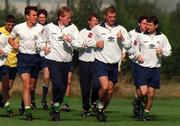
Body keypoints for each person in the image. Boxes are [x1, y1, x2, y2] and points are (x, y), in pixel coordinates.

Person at [91, 6, 131, 121]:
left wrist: (122, 38)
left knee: (110, 90)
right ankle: (98, 104)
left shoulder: (121, 29)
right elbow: (87, 41)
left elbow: (128, 45)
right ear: (105, 17)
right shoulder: (97, 29)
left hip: (114, 64)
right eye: (110, 17)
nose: (112, 19)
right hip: (101, 61)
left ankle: (100, 109)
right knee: (104, 87)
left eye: (114, 17)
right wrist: (95, 44)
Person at [39, 6, 79, 121]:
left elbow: (79, 44)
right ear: (61, 17)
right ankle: (56, 110)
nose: (69, 20)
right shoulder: (49, 27)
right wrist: (43, 47)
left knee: (63, 88)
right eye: (68, 17)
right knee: (59, 86)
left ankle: (55, 104)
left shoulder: (73, 28)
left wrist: (70, 40)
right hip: (53, 60)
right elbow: (41, 40)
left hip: (67, 62)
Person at [132, 16, 172, 121]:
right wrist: (137, 55)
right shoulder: (140, 36)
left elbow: (169, 51)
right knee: (143, 92)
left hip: (155, 69)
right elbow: (133, 50)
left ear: (156, 26)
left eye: (150, 25)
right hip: (143, 68)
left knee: (150, 94)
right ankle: (137, 102)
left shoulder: (162, 37)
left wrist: (162, 52)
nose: (147, 27)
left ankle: (145, 114)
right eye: (146, 24)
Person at [9, 6, 43, 121]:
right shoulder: (19, 27)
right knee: (26, 85)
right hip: (23, 57)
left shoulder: (41, 28)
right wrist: (14, 45)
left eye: (36, 15)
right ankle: (28, 112)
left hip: (36, 58)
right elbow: (11, 38)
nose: (36, 17)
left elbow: (46, 41)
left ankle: (24, 104)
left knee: (32, 87)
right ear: (27, 16)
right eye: (33, 15)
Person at [77, 13, 100, 117]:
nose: (96, 22)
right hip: (84, 62)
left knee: (97, 85)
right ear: (89, 22)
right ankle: (85, 108)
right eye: (94, 20)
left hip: (97, 62)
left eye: (97, 21)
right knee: (85, 87)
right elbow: (78, 45)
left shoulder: (100, 31)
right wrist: (88, 43)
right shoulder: (82, 32)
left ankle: (94, 101)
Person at [128, 16, 148, 118]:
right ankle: (138, 107)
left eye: (147, 23)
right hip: (136, 63)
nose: (146, 26)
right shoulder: (132, 33)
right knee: (139, 87)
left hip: (147, 64)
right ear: (139, 24)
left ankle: (137, 103)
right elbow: (129, 48)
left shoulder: (150, 34)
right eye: (144, 23)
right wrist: (136, 56)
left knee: (145, 89)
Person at [0, 14, 16, 117]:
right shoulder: (0, 32)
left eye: (12, 25)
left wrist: (3, 52)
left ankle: (8, 108)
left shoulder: (14, 34)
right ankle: (7, 107)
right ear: (5, 23)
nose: (10, 27)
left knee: (6, 87)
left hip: (5, 63)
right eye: (8, 25)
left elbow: (12, 47)